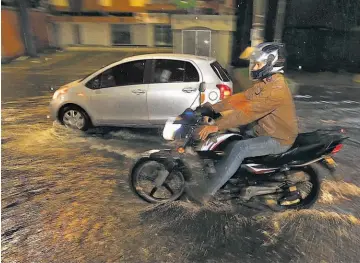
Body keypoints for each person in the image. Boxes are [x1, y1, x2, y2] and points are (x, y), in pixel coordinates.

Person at [186, 42, 299, 204]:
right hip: (265, 129)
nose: (254, 68)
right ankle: (232, 175)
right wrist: (213, 108)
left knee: (239, 148)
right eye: (254, 64)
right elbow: (242, 98)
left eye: (258, 64)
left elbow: (247, 113)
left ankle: (206, 193)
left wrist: (215, 126)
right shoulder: (267, 82)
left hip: (278, 138)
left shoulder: (275, 90)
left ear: (271, 64)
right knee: (231, 136)